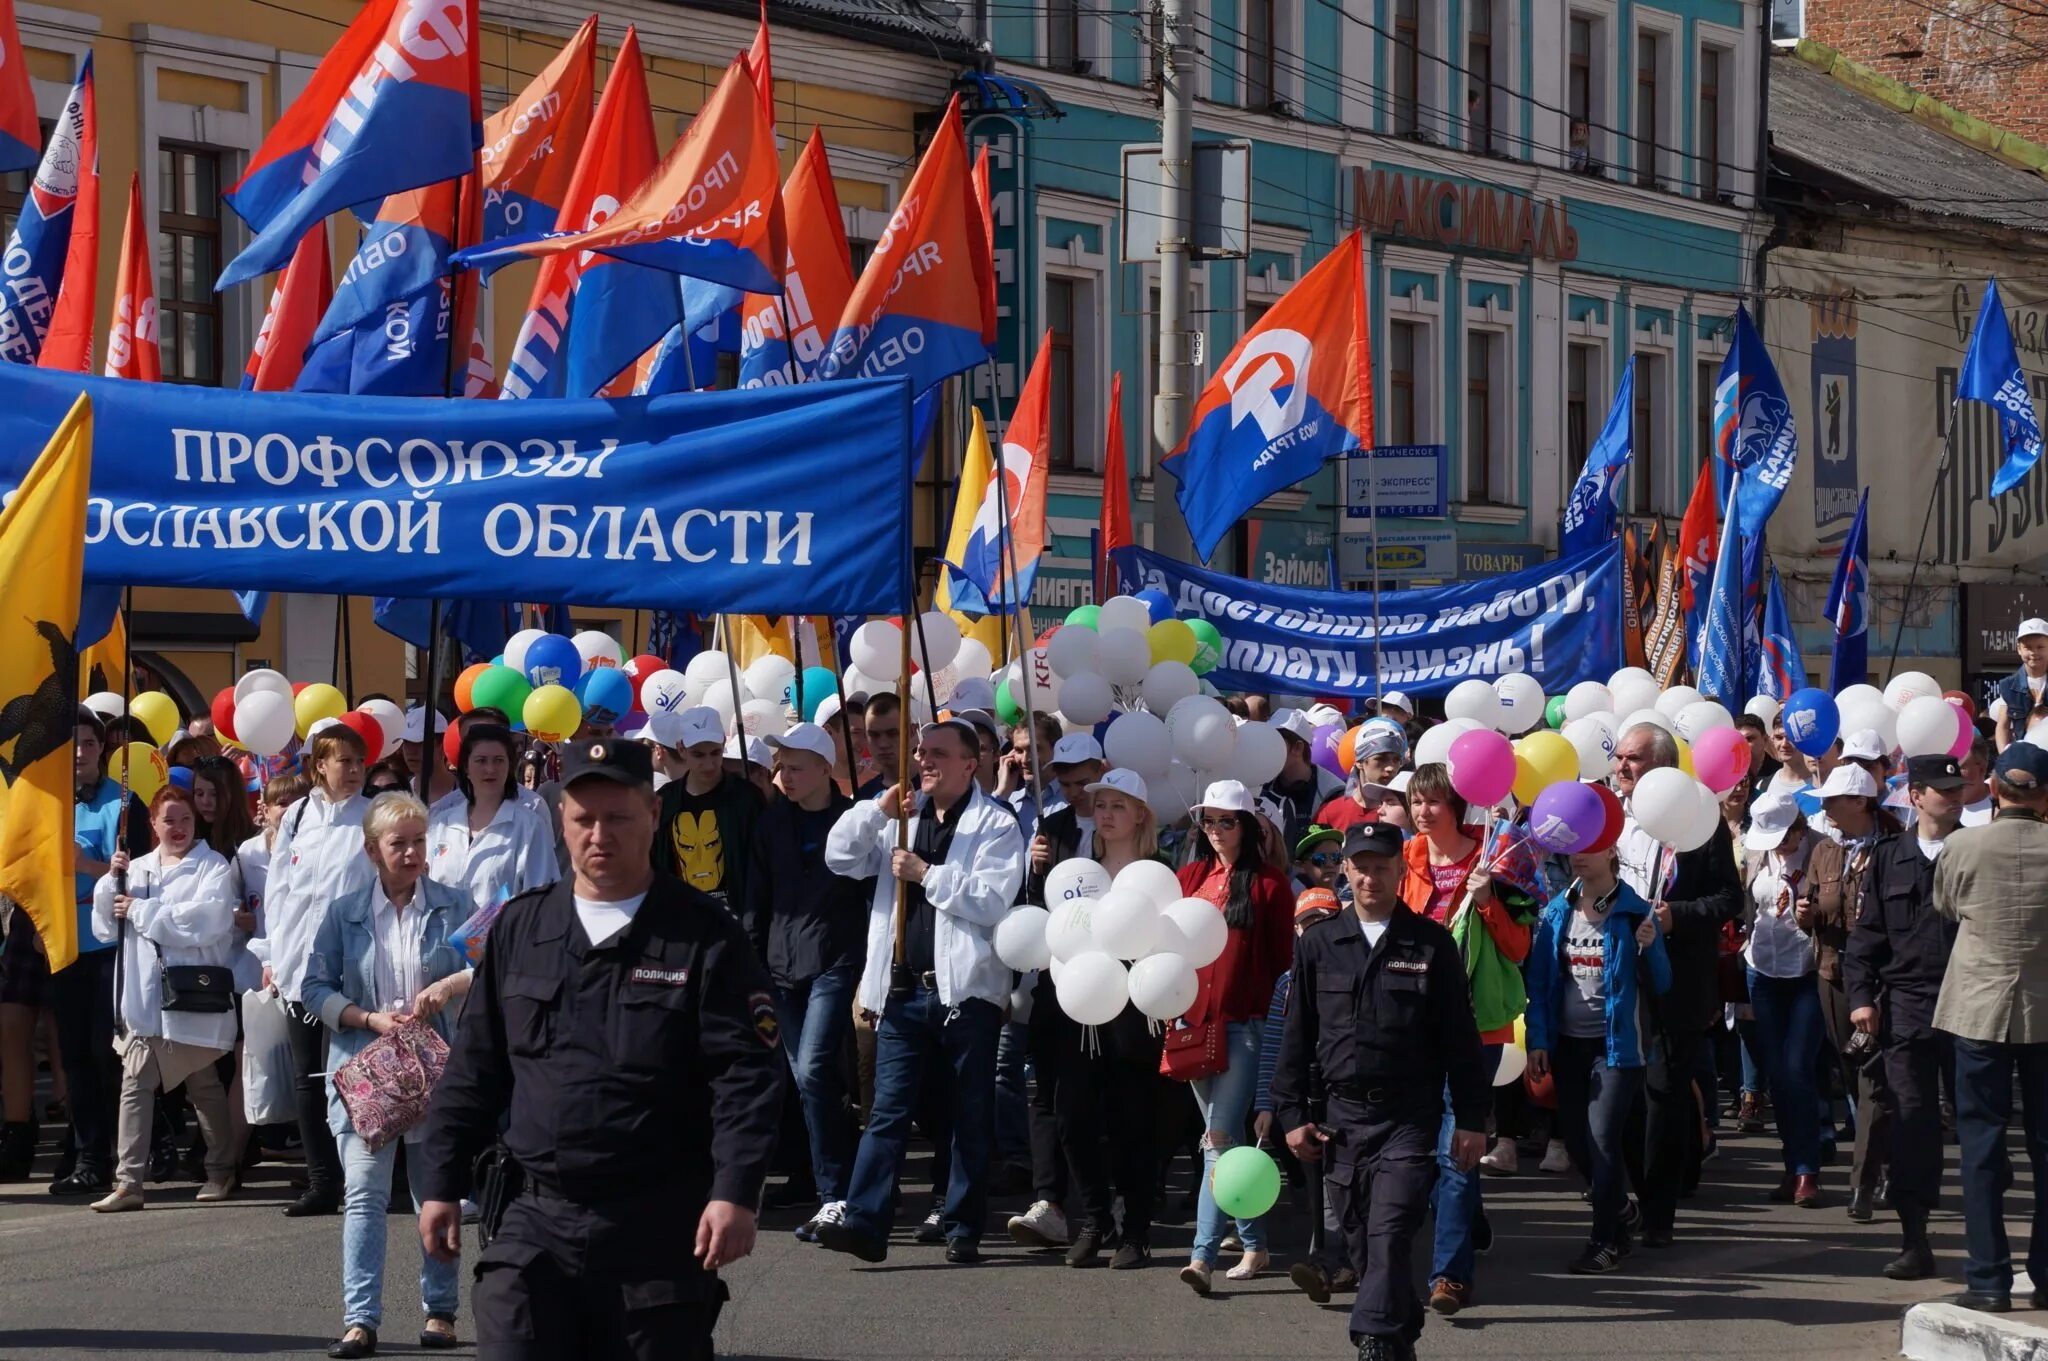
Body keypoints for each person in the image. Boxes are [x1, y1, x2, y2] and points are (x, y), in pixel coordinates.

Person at [415, 737, 785, 1359]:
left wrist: (736, 1191)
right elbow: (474, 1069)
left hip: (656, 1227)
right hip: (535, 1219)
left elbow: (745, 1077)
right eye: (584, 819)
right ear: (562, 821)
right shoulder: (522, 927)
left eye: (618, 818)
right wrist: (440, 1183)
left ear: (653, 816)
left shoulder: (704, 934)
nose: (599, 835)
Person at [1271, 822, 1489, 1361]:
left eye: (1382, 865)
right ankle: (1397, 1336)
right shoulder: (1320, 943)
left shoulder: (1431, 943)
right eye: (1360, 865)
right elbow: (1296, 1035)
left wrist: (1471, 1119)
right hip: (1340, 1121)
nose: (1371, 876)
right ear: (1344, 868)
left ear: (1401, 869)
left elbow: (1460, 1041)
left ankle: (1371, 1340)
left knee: (1390, 1231)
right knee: (1364, 1242)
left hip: (1408, 1119)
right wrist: (1291, 1113)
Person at [815, 718, 1024, 1265]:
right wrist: (875, 812)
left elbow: (990, 900)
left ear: (969, 763)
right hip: (903, 992)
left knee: (968, 1113)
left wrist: (926, 874)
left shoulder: (995, 825)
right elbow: (839, 856)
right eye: (920, 752)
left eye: (936, 753)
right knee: (887, 1111)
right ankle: (864, 1219)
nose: (923, 761)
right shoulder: (899, 820)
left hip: (966, 995)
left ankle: (962, 1225)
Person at [301, 792, 473, 1359]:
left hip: (434, 1073)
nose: (412, 853)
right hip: (367, 1076)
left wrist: (448, 986)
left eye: (420, 841)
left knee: (435, 1196)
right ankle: (360, 1321)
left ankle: (440, 1313)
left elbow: (492, 963)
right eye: (399, 843)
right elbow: (313, 989)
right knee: (364, 1198)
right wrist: (368, 1017)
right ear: (373, 849)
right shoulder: (343, 911)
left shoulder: (453, 904)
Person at [1397, 762, 1534, 1313]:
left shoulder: (1498, 854)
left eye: (1433, 801)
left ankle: (1449, 1277)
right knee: (1431, 1150)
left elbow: (1520, 947)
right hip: (1413, 1027)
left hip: (1480, 1027)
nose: (1423, 812)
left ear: (1457, 805)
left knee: (1457, 1149)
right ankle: (1469, 1218)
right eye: (1415, 801)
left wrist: (1486, 902)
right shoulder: (1403, 861)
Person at [1928, 740, 2048, 1312]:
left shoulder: (1962, 846)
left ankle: (1988, 1281)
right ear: (2045, 796)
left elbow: (1947, 908)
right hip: (2045, 1014)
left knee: (1980, 1147)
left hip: (1978, 1008)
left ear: (1994, 789)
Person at [1612, 721, 1741, 1246]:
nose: (1622, 768)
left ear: (1663, 765)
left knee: (1664, 1093)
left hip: (1678, 984)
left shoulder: (1700, 819)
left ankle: (1659, 1213)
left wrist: (1676, 916)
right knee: (1621, 1095)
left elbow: (1729, 900)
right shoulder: (1608, 820)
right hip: (1618, 977)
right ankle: (1629, 1193)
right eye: (1619, 758)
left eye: (1634, 759)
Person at [87, 786, 241, 1211]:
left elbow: (205, 922)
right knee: (135, 1083)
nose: (178, 828)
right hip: (144, 1001)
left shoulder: (212, 865)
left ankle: (220, 1170)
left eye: (186, 819)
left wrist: (141, 911)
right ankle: (129, 1182)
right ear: (152, 824)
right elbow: (105, 927)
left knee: (204, 1085)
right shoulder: (135, 869)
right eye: (168, 819)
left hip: (192, 999)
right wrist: (109, 880)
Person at [741, 723, 863, 1244]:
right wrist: (752, 967)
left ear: (821, 769)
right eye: (779, 767)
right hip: (779, 969)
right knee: (811, 1080)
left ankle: (835, 1192)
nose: (782, 776)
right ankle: (845, 1184)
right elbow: (756, 898)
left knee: (813, 1071)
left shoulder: (851, 820)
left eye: (793, 767)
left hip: (834, 962)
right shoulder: (770, 824)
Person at [1845, 752, 1964, 1282]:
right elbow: (1865, 939)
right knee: (1913, 1121)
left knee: (1980, 1122)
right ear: (1915, 796)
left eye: (1958, 788)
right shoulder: (1890, 858)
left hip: (1971, 1004)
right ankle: (1915, 1238)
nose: (1954, 795)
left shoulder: (1972, 851)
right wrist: (1860, 998)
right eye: (1942, 788)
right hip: (1909, 1008)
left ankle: (1990, 1235)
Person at [1173, 780, 1294, 1293]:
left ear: (1248, 826)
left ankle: (1201, 1258)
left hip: (1247, 1023)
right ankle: (1255, 1244)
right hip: (1192, 1023)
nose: (1216, 830)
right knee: (1225, 1144)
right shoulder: (1190, 876)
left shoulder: (1269, 886)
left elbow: (1284, 967)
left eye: (1227, 821)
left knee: (1217, 1140)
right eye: (1209, 821)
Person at [1526, 843, 1670, 1273]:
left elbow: (1662, 984)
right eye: (1574, 850)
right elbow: (1540, 982)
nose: (1578, 857)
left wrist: (1653, 946)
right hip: (1568, 1045)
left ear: (1611, 852)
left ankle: (1604, 1241)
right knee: (1576, 1143)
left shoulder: (1633, 911)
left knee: (1603, 1138)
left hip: (1617, 1050)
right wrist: (1538, 1039)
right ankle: (1621, 1215)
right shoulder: (1557, 910)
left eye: (1590, 849)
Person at [259, 724, 376, 1218]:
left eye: (358, 762)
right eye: (342, 761)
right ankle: (322, 1179)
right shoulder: (300, 815)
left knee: (356, 1074)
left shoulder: (372, 815)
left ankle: (365, 1179)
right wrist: (271, 956)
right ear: (319, 766)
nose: (351, 771)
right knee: (308, 1076)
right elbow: (279, 888)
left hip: (352, 968)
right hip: (298, 965)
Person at [1055, 767, 1167, 1268]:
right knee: (1074, 1117)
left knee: (1134, 1125)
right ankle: (1095, 1218)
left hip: (1139, 1011)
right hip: (1083, 1004)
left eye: (1117, 806)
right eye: (1100, 805)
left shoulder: (1160, 872)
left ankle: (1135, 1230)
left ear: (1140, 814)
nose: (1105, 813)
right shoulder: (1078, 871)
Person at [1006, 733, 1106, 1253]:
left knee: (1092, 1099)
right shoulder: (1052, 826)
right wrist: (1035, 866)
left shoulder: (1119, 825)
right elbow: (1030, 906)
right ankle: (1050, 1201)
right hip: (1055, 976)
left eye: (1081, 780)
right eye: (1063, 782)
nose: (1072, 791)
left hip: (1112, 983)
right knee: (1043, 1089)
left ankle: (1102, 1203)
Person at [1803, 763, 1898, 1221]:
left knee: (1873, 1080)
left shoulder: (1894, 847)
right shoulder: (1824, 851)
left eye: (1833, 799)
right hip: (1833, 973)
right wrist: (1804, 912)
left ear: (1860, 802)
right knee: (1851, 1072)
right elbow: (1813, 909)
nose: (1824, 807)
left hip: (1883, 980)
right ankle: (1888, 1160)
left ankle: (1865, 1181)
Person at [46, 709, 127, 1196]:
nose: (80, 752)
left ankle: (124, 1150)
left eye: (90, 743)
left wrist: (86, 864)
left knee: (105, 1053)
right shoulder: (47, 800)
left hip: (107, 944)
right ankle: (86, 1153)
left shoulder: (121, 801)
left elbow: (135, 876)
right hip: (61, 942)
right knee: (73, 1054)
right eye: (72, 743)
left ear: (103, 748)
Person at [1740, 787, 1826, 1206]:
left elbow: (1842, 907)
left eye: (1782, 837)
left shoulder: (1822, 852)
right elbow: (1749, 907)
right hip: (1763, 971)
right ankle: (1792, 1167)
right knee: (1778, 1073)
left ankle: (1808, 1168)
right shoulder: (1757, 856)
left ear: (1798, 829)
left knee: (1797, 1069)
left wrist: (1819, 917)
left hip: (1807, 972)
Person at [426, 723, 559, 918]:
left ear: (510, 766)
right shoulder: (440, 824)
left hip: (502, 944)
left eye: (499, 760)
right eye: (481, 760)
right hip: (439, 945)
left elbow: (543, 897)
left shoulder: (529, 827)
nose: (490, 769)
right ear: (466, 767)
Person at [651, 706, 763, 910]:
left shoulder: (747, 797)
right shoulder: (665, 801)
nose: (709, 764)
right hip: (684, 925)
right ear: (682, 749)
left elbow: (761, 868)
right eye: (698, 755)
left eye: (715, 753)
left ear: (723, 743)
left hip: (739, 922)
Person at [1267, 710, 1344, 852]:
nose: (1268, 749)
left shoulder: (1335, 792)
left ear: (1297, 748)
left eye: (1275, 742)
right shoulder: (1262, 785)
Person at [1315, 720, 1407, 832]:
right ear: (1359, 762)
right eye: (1381, 759)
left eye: (1397, 760)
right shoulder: (1330, 813)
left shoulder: (1409, 811)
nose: (1390, 768)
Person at [1992, 616, 2048, 749]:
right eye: (2028, 647)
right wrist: (2005, 756)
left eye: (2040, 647)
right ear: (2019, 649)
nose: (2034, 652)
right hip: (2025, 759)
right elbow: (2003, 726)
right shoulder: (2008, 685)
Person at [1959, 733, 1994, 827]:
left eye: (1959, 767)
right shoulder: (1931, 808)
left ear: (1982, 768)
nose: (1952, 774)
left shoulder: (2003, 806)